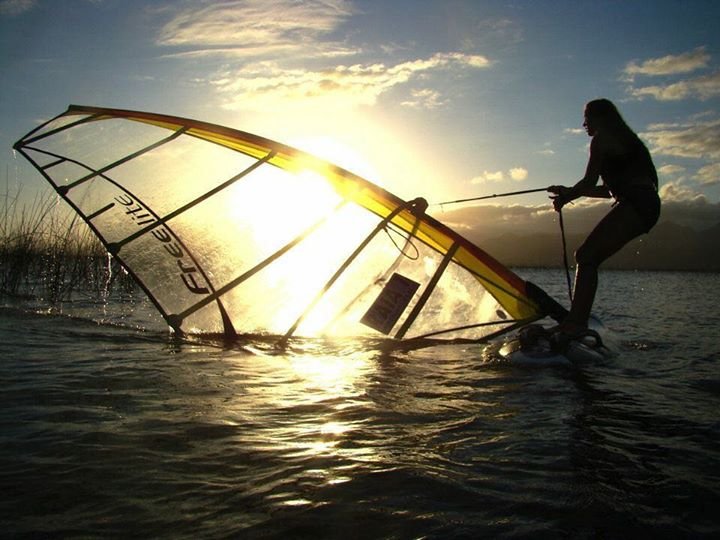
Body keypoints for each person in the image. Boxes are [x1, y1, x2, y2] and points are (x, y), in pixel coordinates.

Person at [547, 98, 661, 338]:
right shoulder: (623, 140)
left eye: (586, 118)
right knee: (588, 257)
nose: (583, 124)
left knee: (585, 256)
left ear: (599, 118)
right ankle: (577, 320)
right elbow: (606, 191)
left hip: (638, 203)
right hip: (646, 205)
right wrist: (567, 190)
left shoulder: (602, 139)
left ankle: (576, 323)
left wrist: (567, 197)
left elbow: (588, 182)